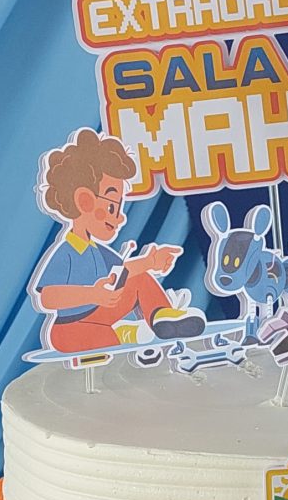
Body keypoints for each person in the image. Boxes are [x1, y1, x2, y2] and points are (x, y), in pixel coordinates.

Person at [29, 130, 205, 353]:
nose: (120, 218)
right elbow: (48, 297)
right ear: (84, 201)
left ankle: (162, 318)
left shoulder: (97, 251)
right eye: (113, 207)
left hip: (101, 313)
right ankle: (126, 334)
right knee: (75, 337)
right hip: (71, 326)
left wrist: (150, 262)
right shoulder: (67, 252)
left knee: (140, 279)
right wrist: (91, 294)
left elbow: (124, 271)